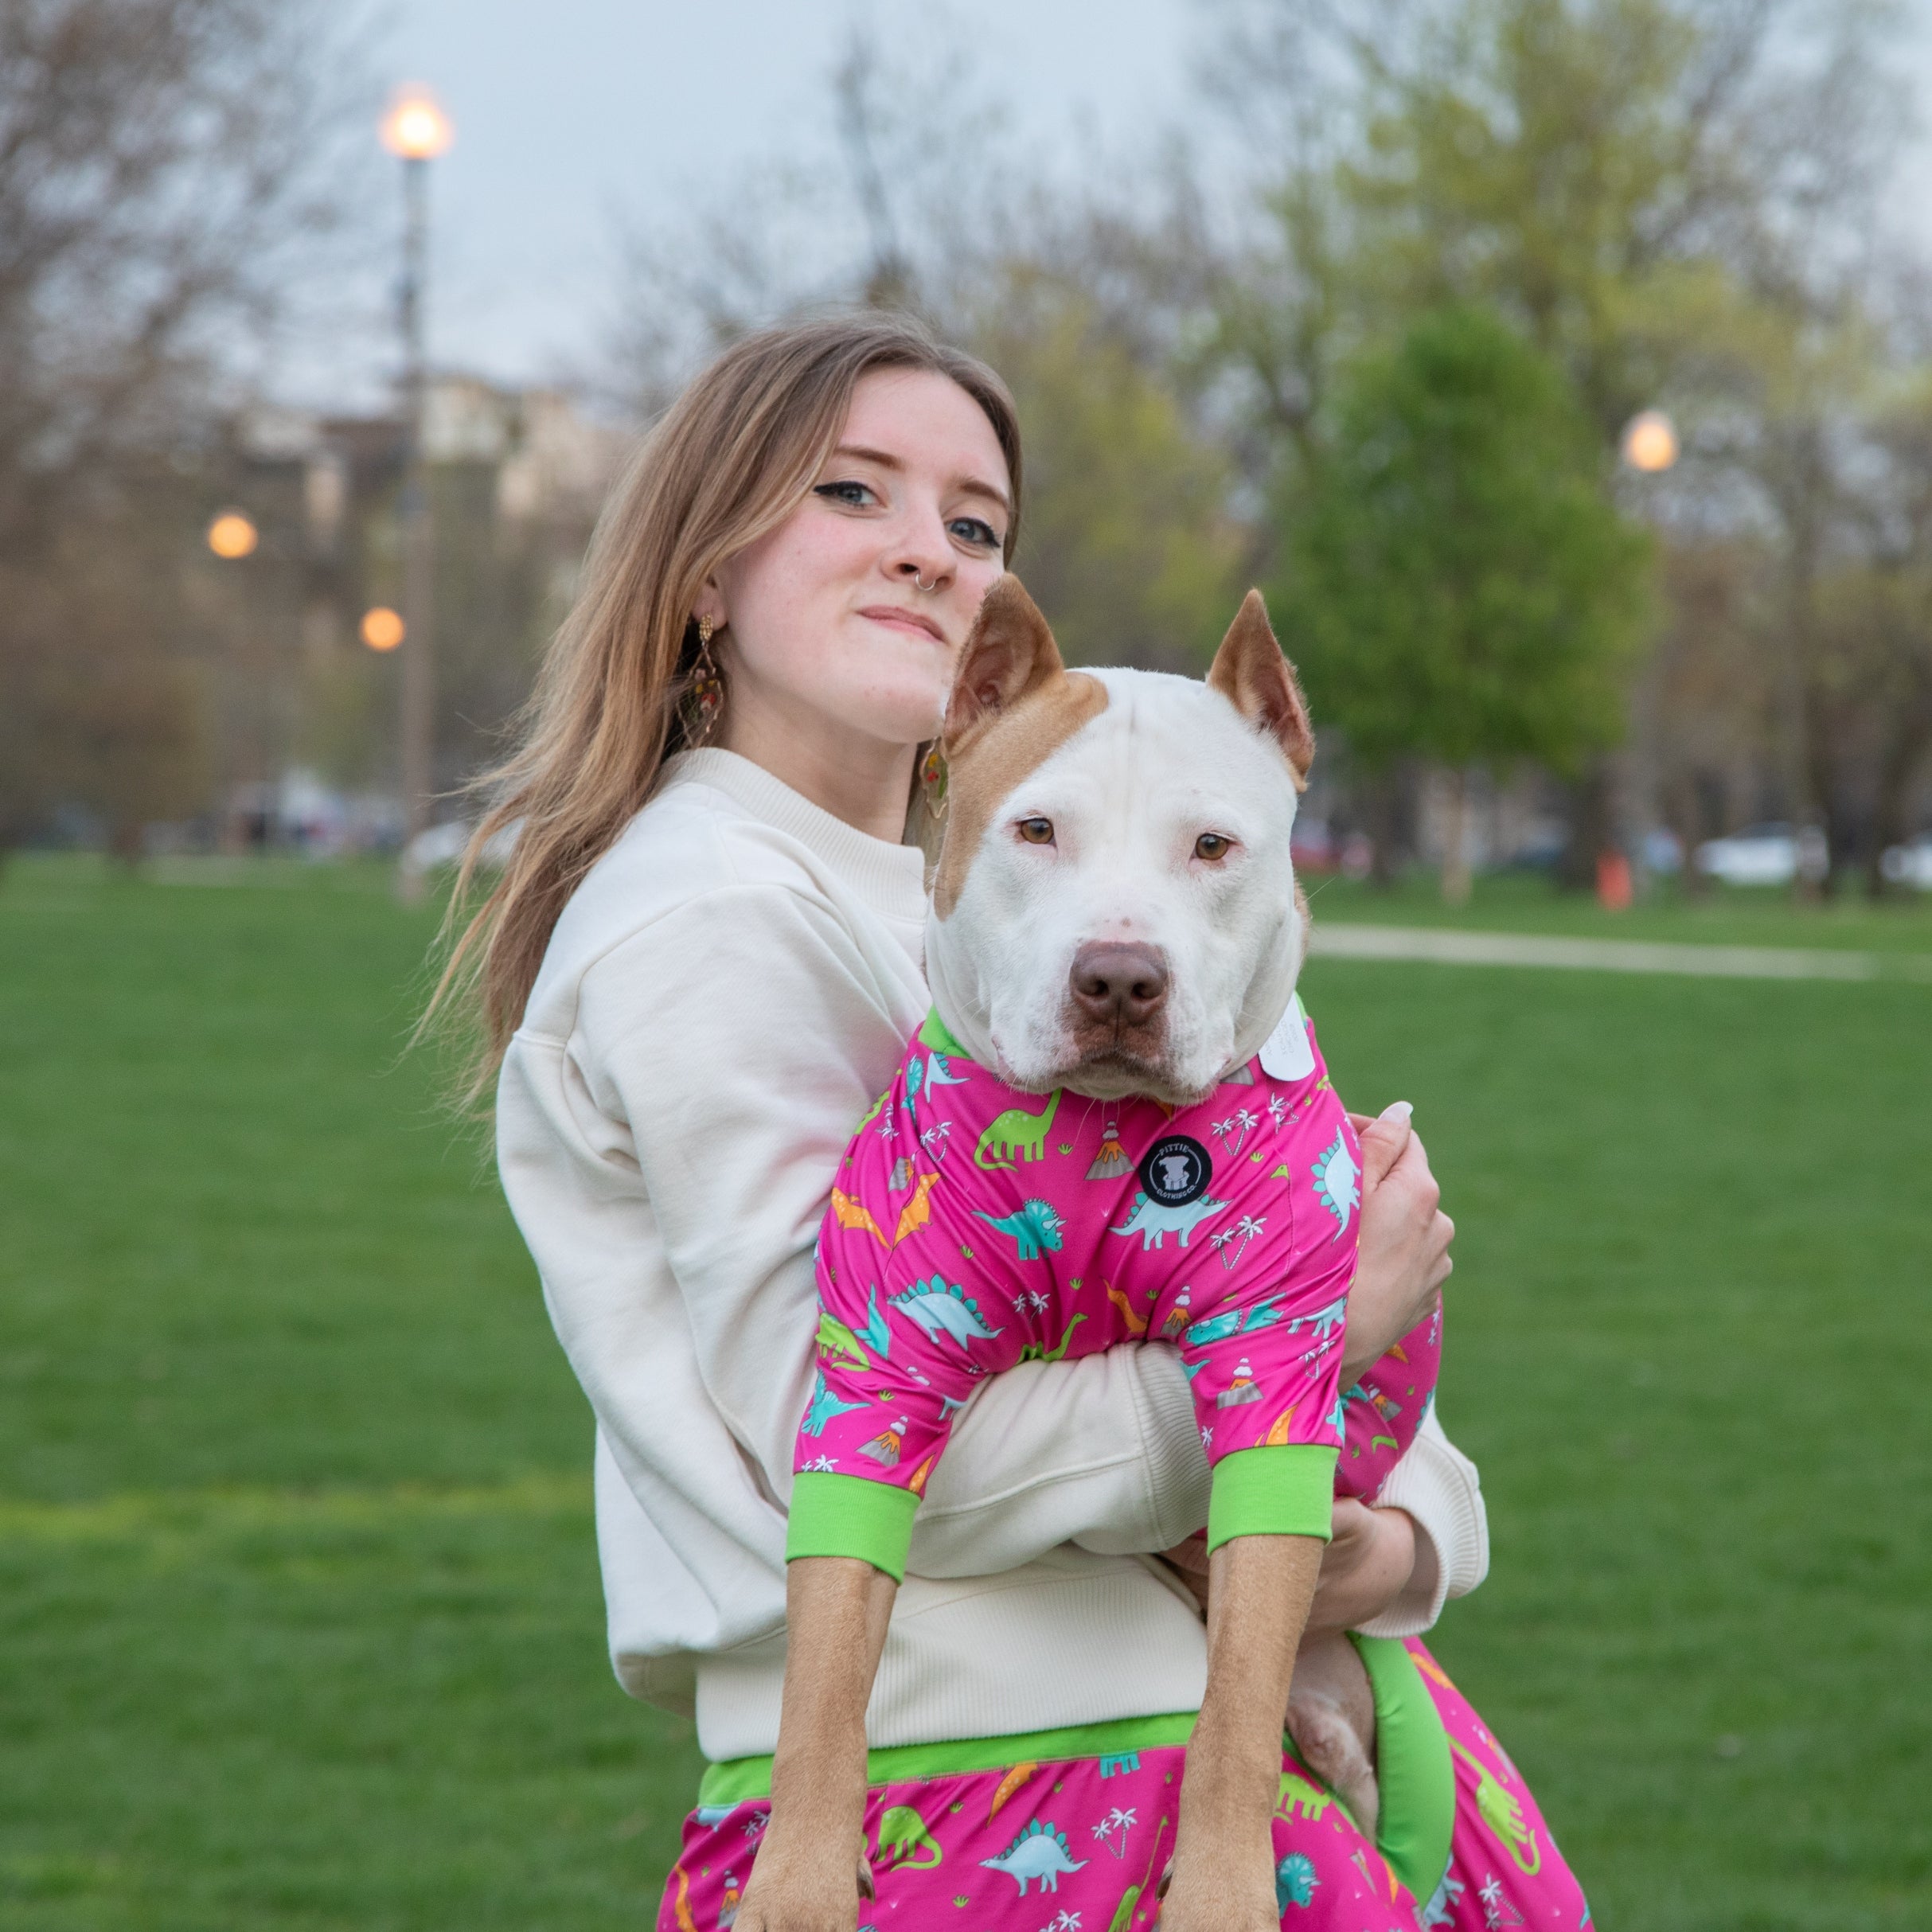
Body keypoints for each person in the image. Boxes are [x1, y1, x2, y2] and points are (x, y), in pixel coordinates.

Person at [439, 312, 1585, 1928]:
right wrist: (1311, 1336)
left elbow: (1308, 1344)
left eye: (972, 524)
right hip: (974, 1784)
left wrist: (1391, 1541)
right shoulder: (705, 919)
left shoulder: (1033, 908)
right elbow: (833, 1434)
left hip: (1187, 1748)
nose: (928, 553)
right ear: (704, 571)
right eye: (852, 493)